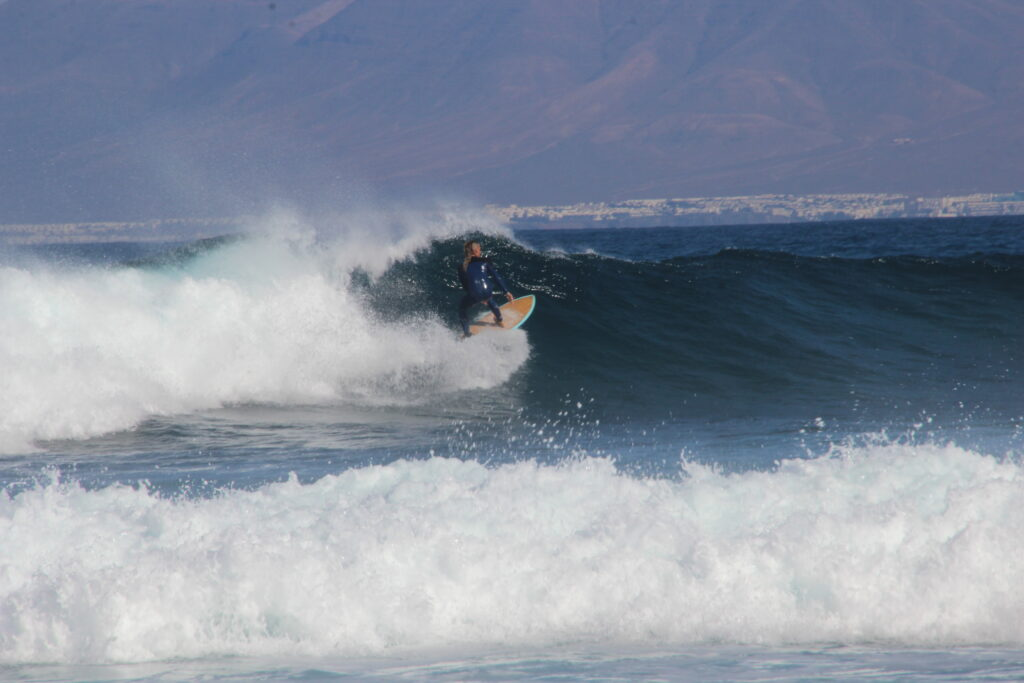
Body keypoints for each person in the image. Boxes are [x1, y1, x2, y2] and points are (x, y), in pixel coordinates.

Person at [458, 240, 513, 337]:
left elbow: (465, 285)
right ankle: (499, 320)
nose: (480, 252)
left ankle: (467, 333)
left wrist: (475, 296)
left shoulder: (461, 267)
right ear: (475, 251)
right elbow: (496, 277)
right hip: (488, 291)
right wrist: (506, 292)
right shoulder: (485, 262)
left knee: (462, 309)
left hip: (474, 294)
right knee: (489, 298)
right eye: (479, 250)